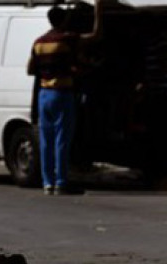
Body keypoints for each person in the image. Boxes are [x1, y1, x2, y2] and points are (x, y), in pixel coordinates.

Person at [27, 1, 107, 195]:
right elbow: (96, 36)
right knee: (62, 138)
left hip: (43, 95)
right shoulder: (67, 39)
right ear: (63, 21)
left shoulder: (39, 43)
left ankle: (47, 183)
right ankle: (61, 181)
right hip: (62, 93)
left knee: (46, 140)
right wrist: (99, 10)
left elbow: (30, 69)